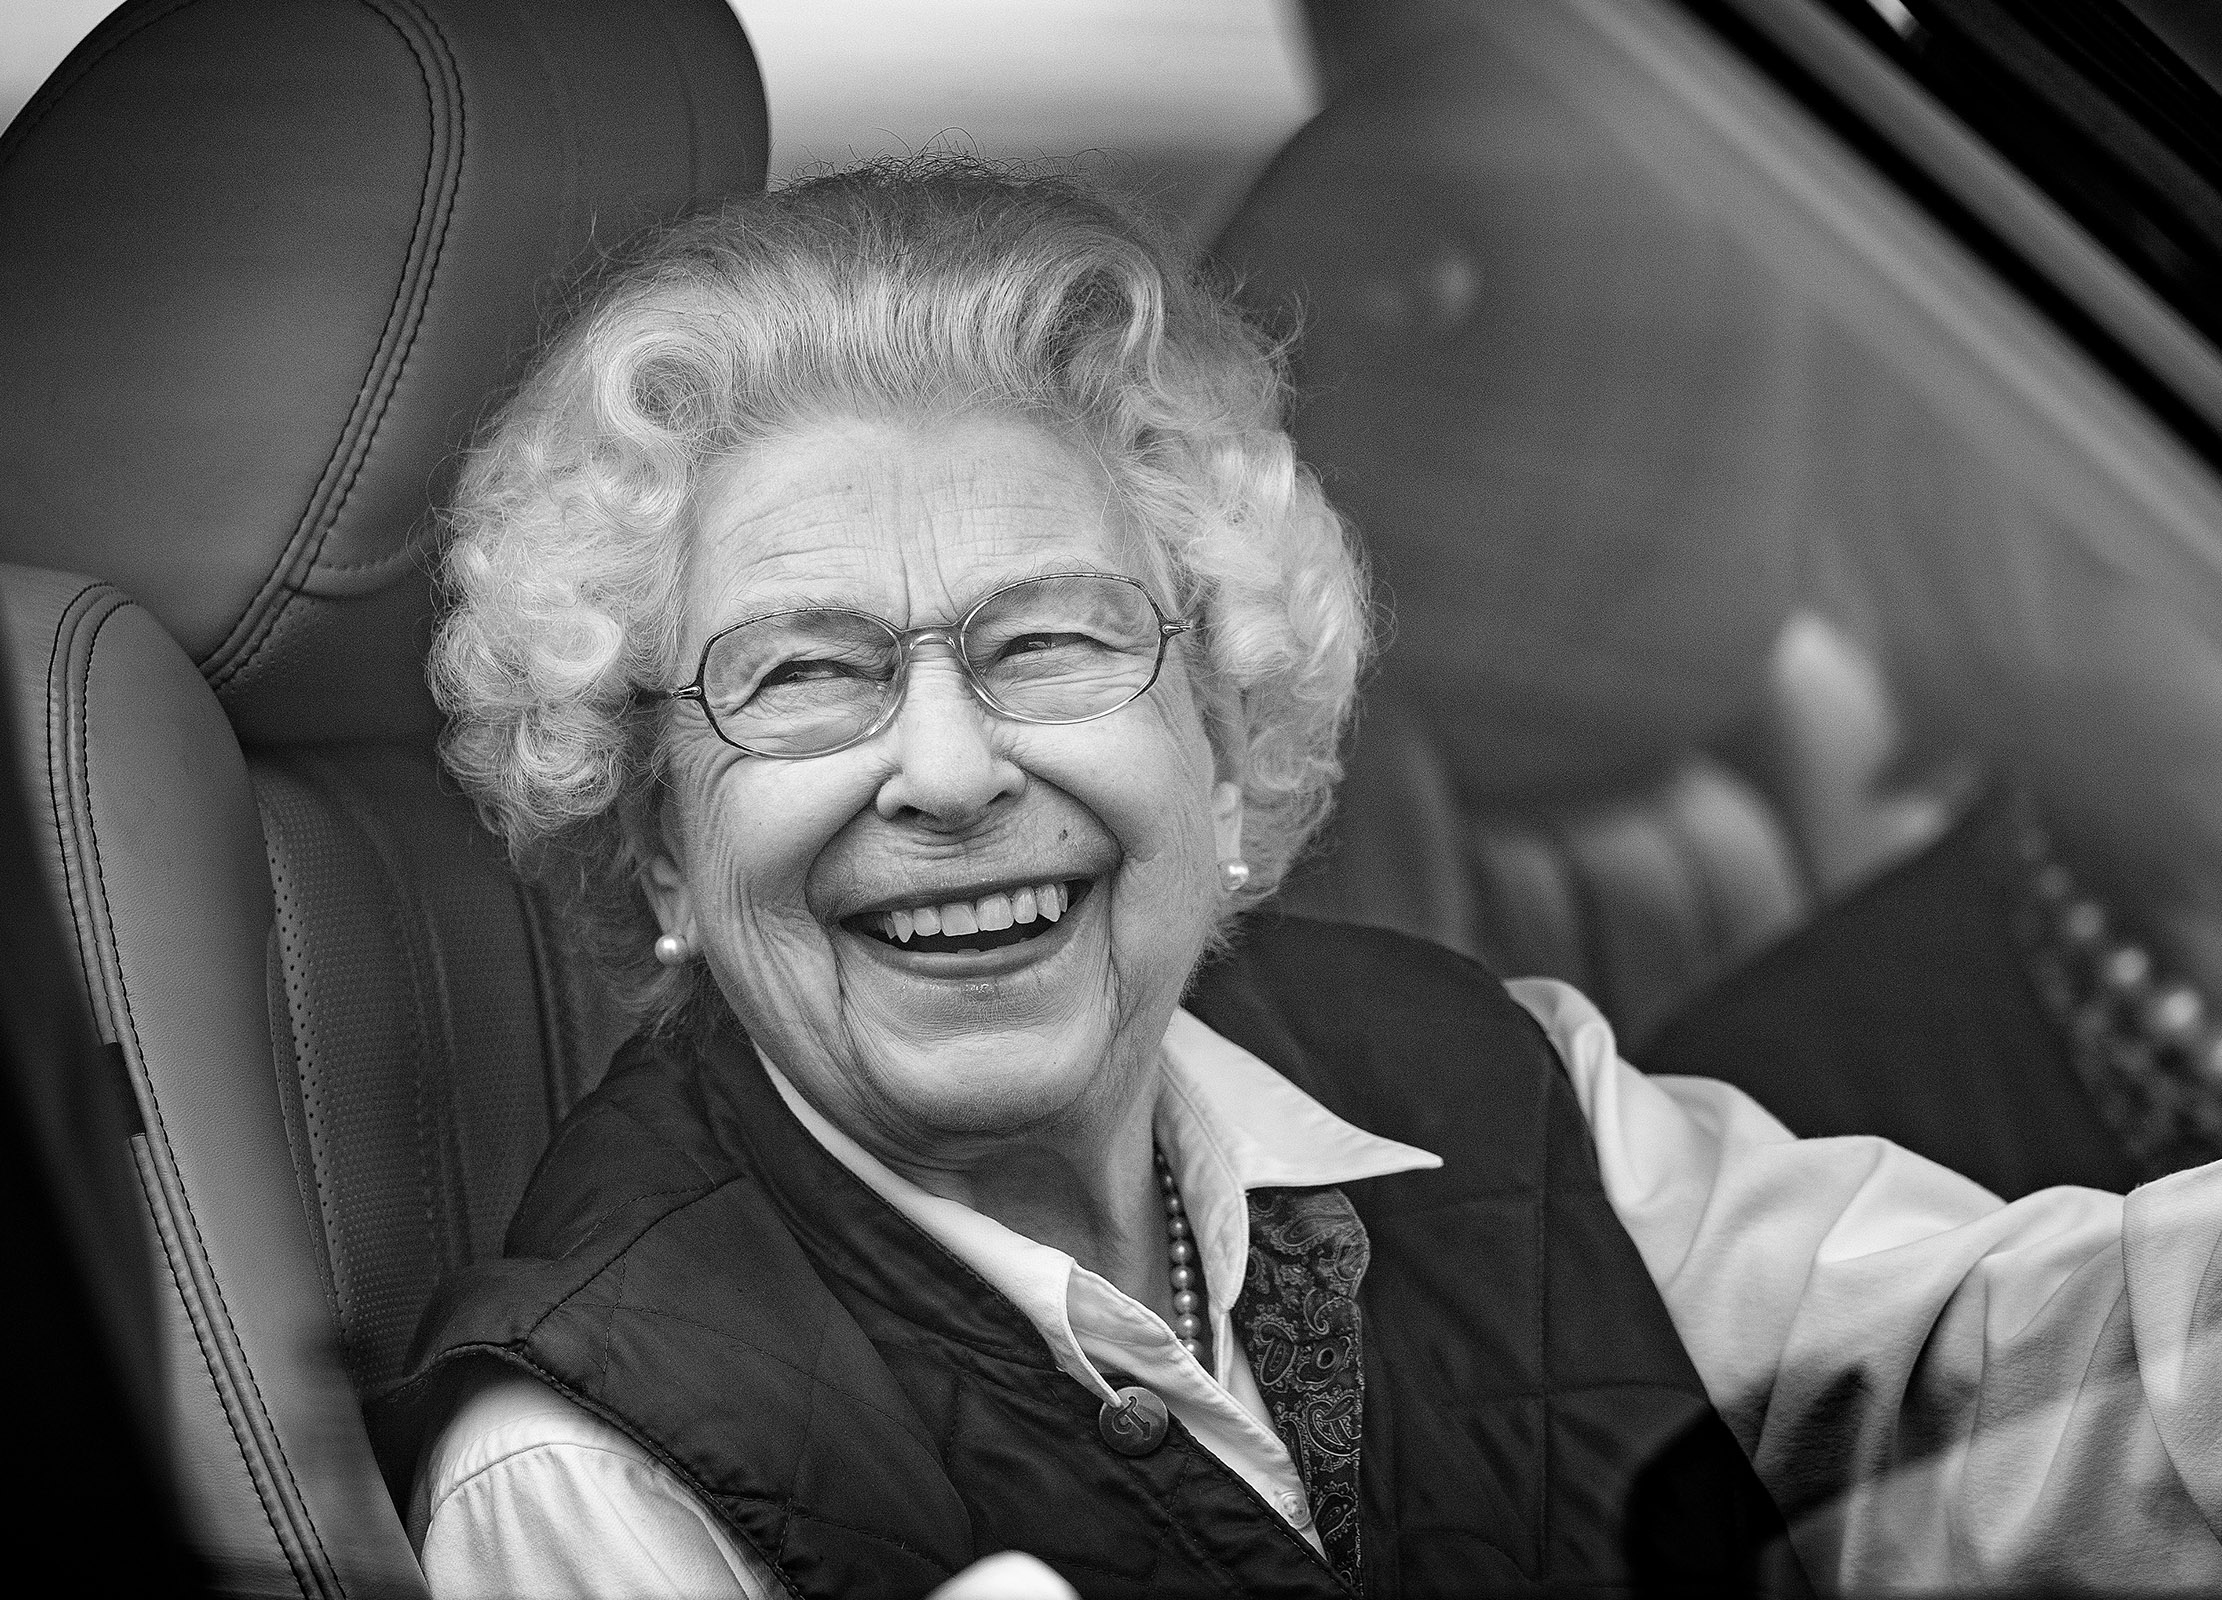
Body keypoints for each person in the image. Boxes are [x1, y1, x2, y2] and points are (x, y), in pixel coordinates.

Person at [375, 160, 2222, 1598]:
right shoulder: (587, 1473)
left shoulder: (1480, 1085)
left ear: (1231, 741)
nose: (942, 771)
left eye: (1051, 641)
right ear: (657, 841)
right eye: (802, 674)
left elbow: (2028, 1380)